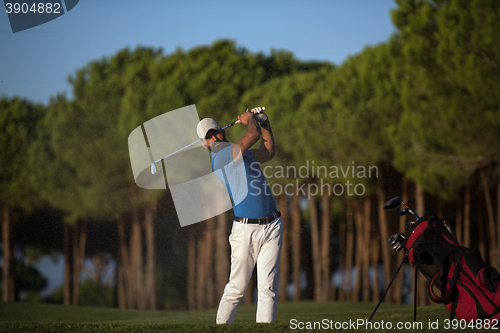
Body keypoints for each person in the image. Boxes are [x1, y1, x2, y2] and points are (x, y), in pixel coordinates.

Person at [196, 107, 284, 324]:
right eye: (209, 136)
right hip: (246, 231)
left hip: (272, 225)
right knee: (237, 288)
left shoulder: (242, 154)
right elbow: (251, 135)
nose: (215, 137)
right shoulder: (220, 158)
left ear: (223, 131)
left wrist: (265, 124)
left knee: (268, 288)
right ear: (204, 144)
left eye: (216, 131)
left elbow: (268, 151)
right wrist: (251, 119)